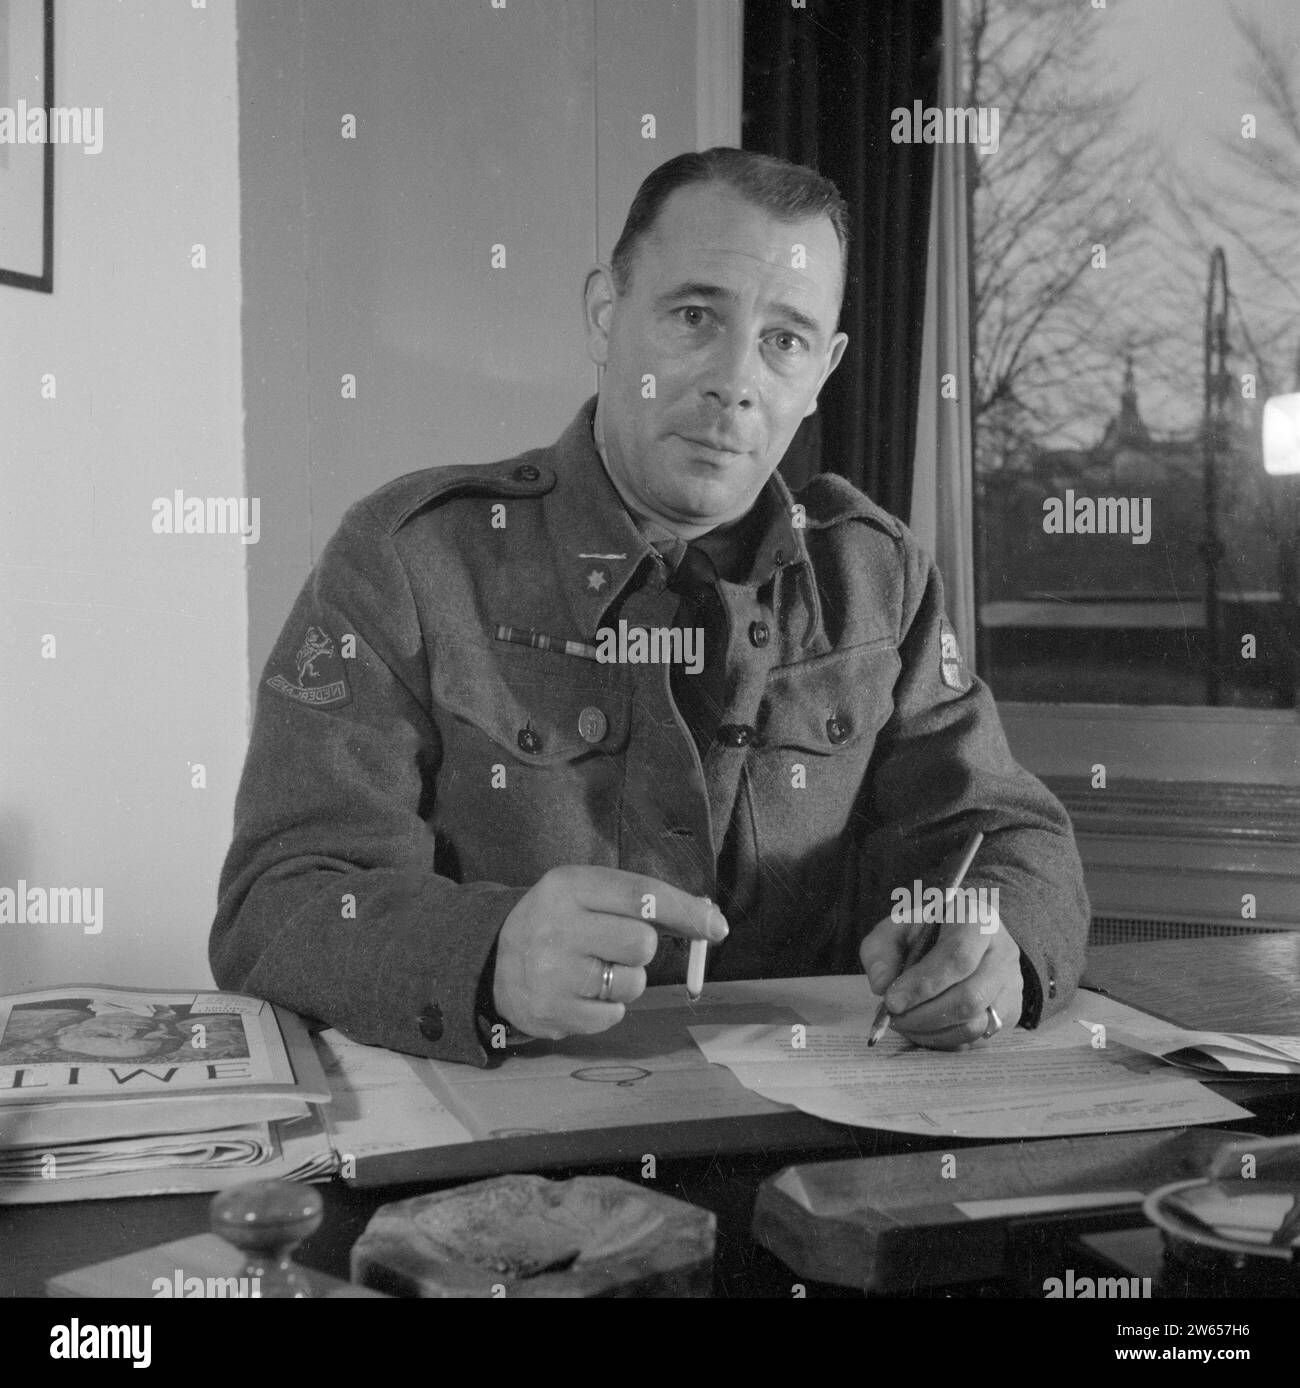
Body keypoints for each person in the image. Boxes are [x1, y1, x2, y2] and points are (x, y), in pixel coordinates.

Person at [211, 148, 1089, 1067]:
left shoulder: (878, 581)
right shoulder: (412, 562)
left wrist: (997, 949)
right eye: (696, 316)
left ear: (823, 370)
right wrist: (489, 955)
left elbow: (1008, 836)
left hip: (812, 1144)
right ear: (606, 314)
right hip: (509, 1154)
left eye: (784, 340)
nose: (735, 381)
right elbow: (279, 901)